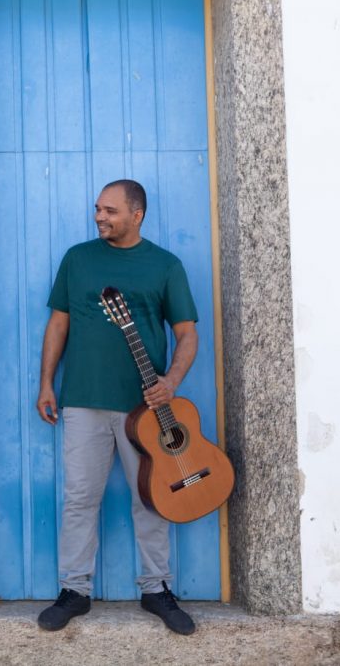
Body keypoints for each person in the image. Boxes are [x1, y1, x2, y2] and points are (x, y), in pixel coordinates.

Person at [35, 180, 200, 635]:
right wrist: (46, 382)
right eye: (97, 209)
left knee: (153, 498)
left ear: (137, 214)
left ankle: (156, 588)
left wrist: (171, 383)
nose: (99, 217)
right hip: (83, 400)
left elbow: (187, 333)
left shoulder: (165, 265)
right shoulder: (78, 259)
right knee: (80, 498)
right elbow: (58, 323)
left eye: (110, 210)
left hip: (145, 409)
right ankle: (74, 590)